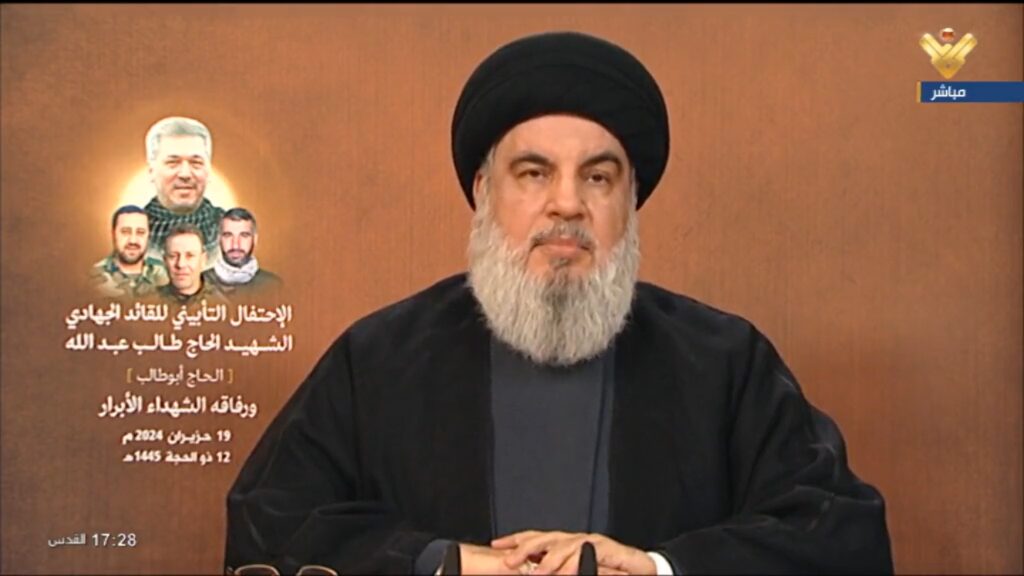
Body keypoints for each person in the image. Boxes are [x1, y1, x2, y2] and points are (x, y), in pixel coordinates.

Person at [225, 31, 893, 576]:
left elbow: (842, 535)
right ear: (483, 192)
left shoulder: (724, 362)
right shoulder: (377, 360)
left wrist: (662, 569)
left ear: (630, 201)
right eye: (534, 173)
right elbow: (270, 523)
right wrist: (438, 564)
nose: (567, 203)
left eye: (598, 177)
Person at [143, 116, 224, 259]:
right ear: (151, 171)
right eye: (173, 163)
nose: (185, 174)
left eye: (196, 163)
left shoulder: (231, 230)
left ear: (208, 171)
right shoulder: (132, 232)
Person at [89, 205, 168, 300]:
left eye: (140, 232)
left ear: (148, 235)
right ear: (113, 234)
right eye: (125, 232)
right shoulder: (93, 276)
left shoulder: (165, 274)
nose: (133, 240)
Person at [210, 208, 283, 299]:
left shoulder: (273, 286)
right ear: (219, 239)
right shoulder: (199, 283)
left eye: (244, 235)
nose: (235, 245)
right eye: (228, 235)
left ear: (254, 239)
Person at [155, 224, 228, 305]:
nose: (181, 264)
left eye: (190, 256)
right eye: (173, 256)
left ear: (203, 260)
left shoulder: (222, 305)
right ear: (165, 261)